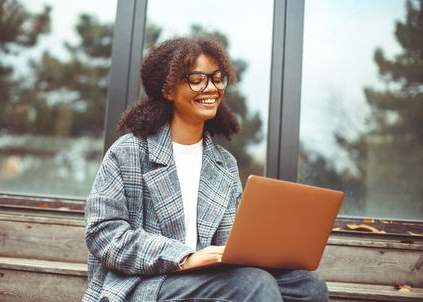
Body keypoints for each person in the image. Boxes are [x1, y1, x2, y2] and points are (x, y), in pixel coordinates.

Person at [82, 36, 329, 302]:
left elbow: (231, 245)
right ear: (167, 90)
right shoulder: (129, 152)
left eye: (217, 78)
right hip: (144, 283)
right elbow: (103, 233)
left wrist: (262, 250)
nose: (211, 88)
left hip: (210, 279)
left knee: (309, 286)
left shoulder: (225, 164)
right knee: (251, 284)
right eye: (197, 80)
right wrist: (184, 257)